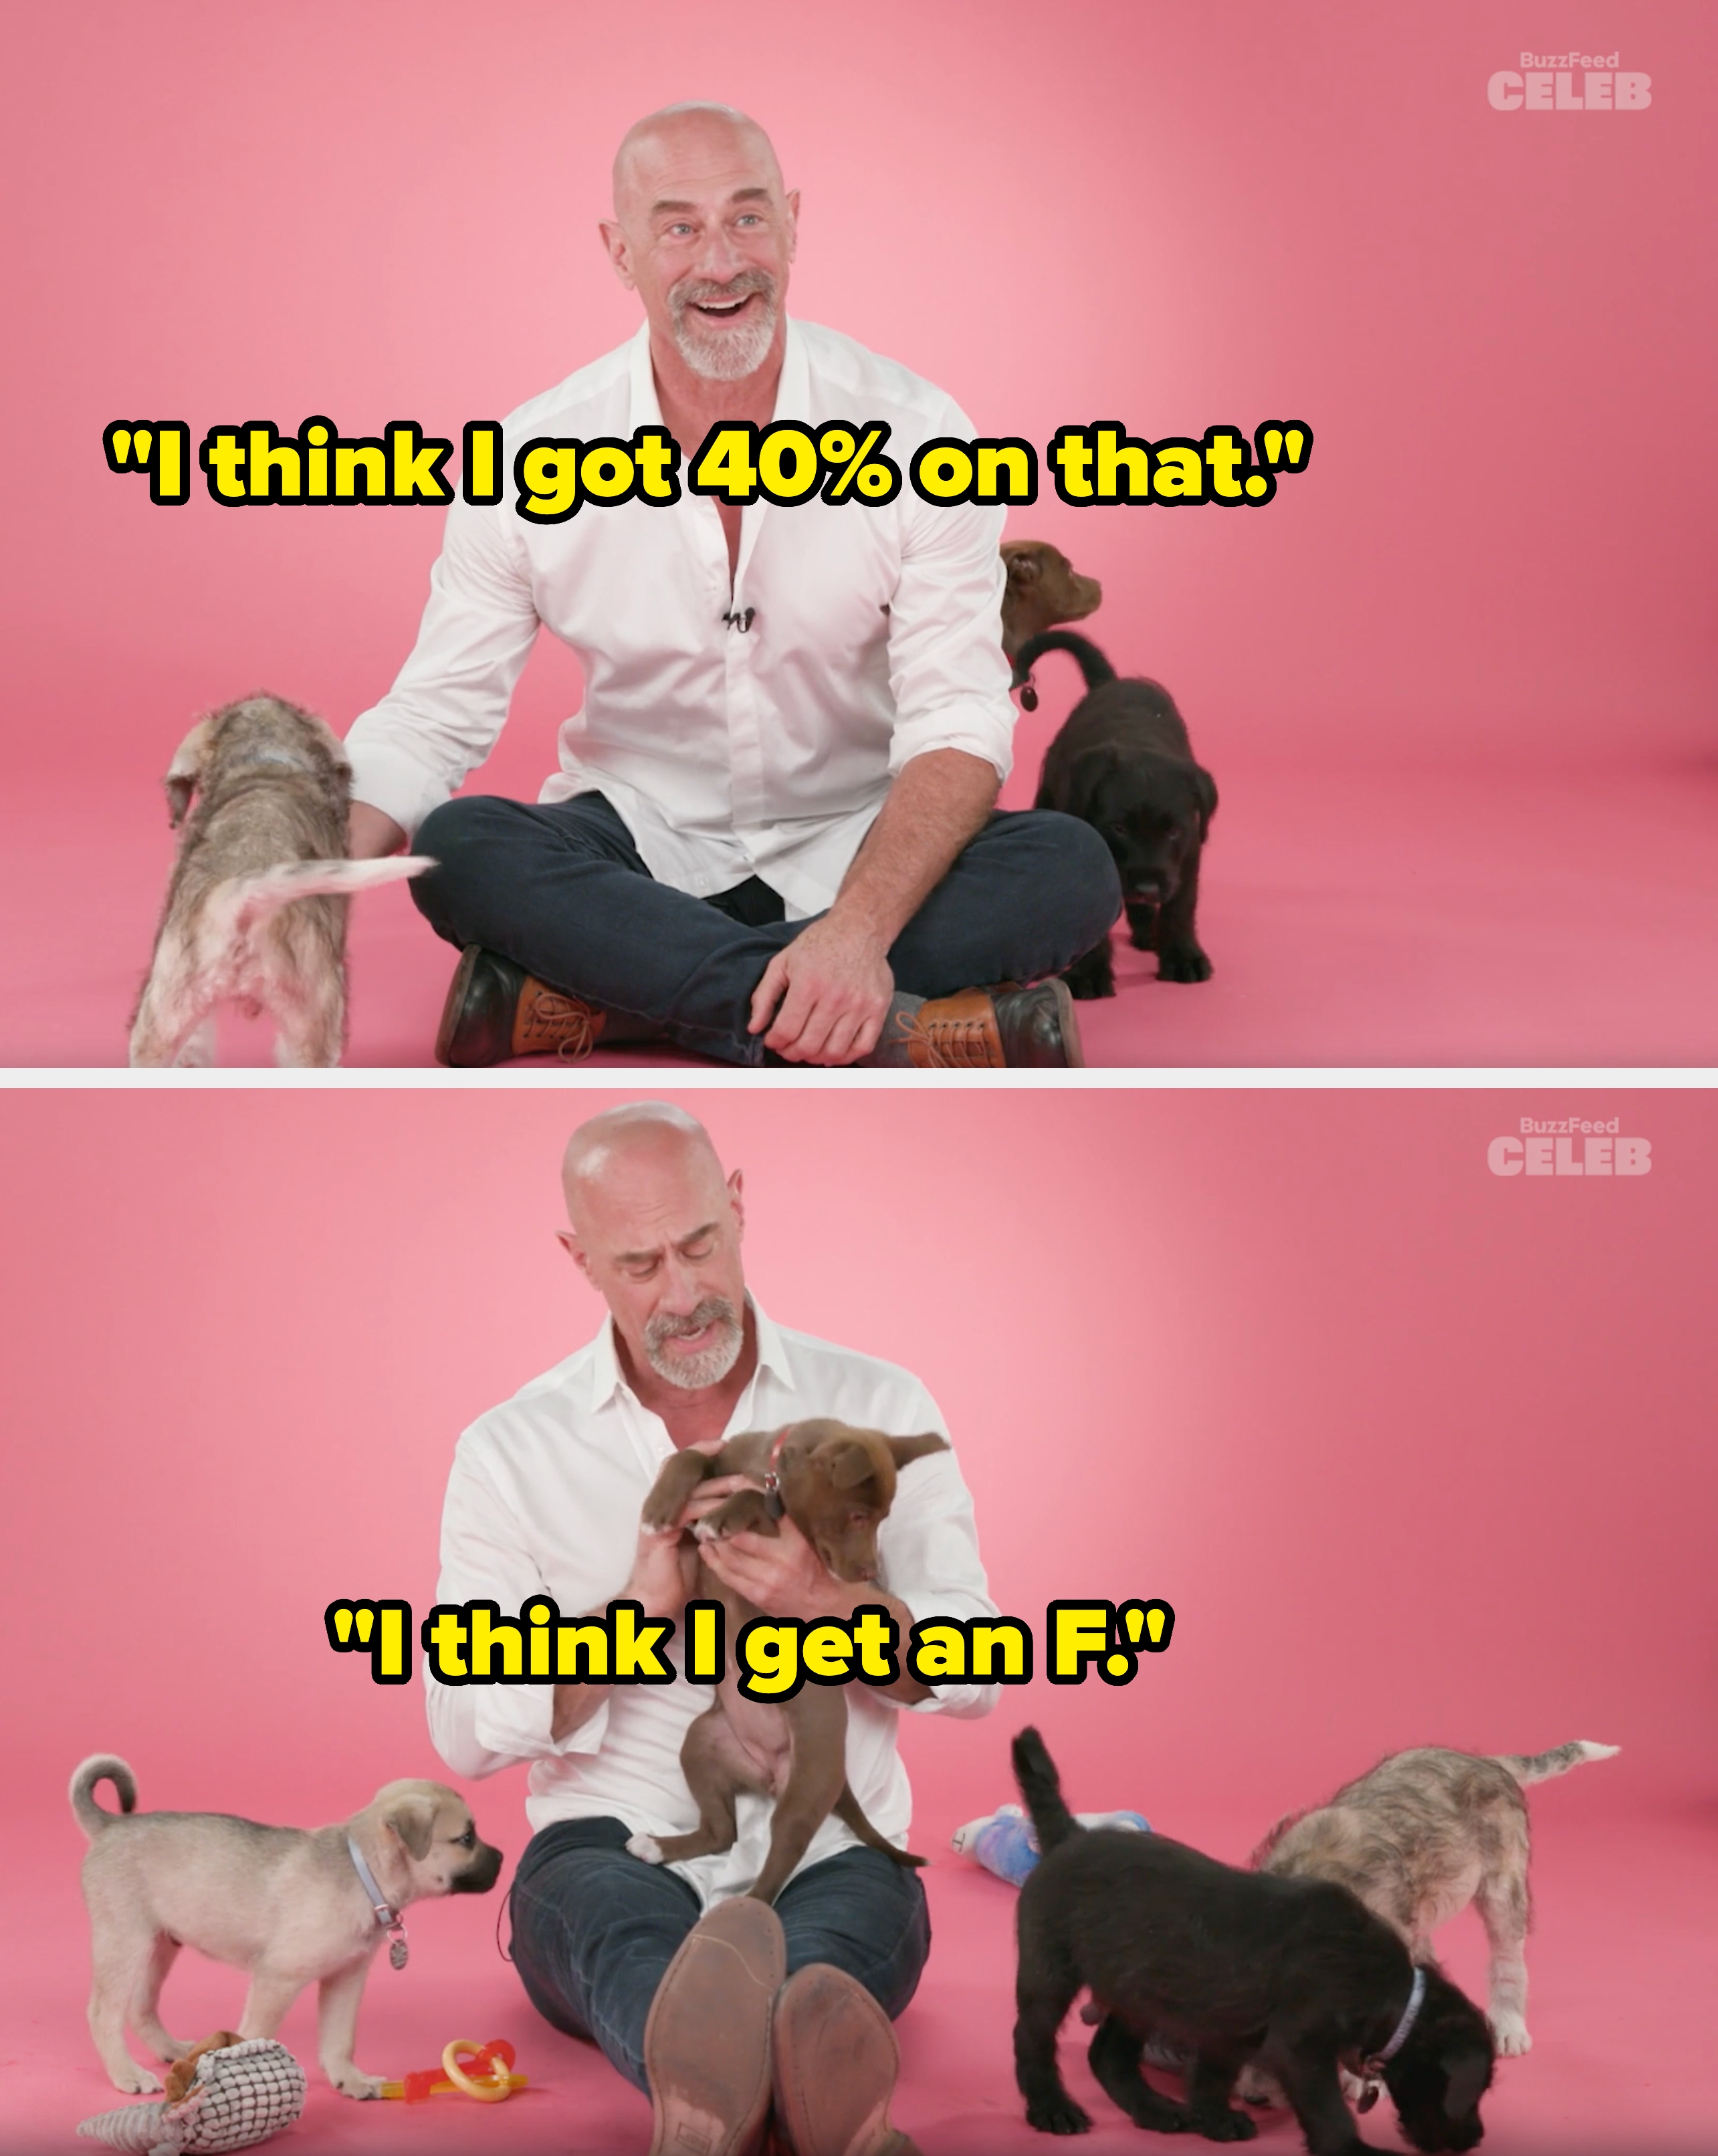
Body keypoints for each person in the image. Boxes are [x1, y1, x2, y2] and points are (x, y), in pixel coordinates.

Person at [344, 104, 1121, 1068]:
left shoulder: (922, 433)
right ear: (620, 252)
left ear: (792, 225)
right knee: (461, 850)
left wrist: (859, 930)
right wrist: (288, 869)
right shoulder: (525, 456)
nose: (721, 263)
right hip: (636, 846)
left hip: (863, 843)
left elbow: (957, 717)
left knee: (1071, 868)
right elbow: (432, 717)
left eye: (748, 219)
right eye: (678, 228)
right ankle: (891, 1025)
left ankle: (619, 1005)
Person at [424, 1103, 1000, 2156]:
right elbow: (463, 1731)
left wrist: (830, 1606)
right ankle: (798, 2108)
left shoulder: (877, 1402)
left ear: (737, 1206)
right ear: (580, 1259)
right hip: (608, 1844)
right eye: (641, 1265)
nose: (685, 1295)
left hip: (832, 1846)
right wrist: (633, 1625)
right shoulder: (509, 1451)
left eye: (699, 1245)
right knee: (623, 1940)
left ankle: (720, 2107)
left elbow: (975, 1669)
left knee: (824, 1967)